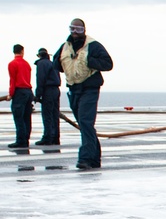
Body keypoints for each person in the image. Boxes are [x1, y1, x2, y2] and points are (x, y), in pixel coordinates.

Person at [52, 19, 113, 171]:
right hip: (74, 89)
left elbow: (108, 64)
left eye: (78, 29)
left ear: (84, 30)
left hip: (90, 88)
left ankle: (85, 158)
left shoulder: (93, 45)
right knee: (85, 125)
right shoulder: (65, 47)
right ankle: (94, 158)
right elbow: (56, 63)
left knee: (85, 123)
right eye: (72, 28)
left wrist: (90, 62)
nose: (74, 32)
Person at [7, 44, 33, 150]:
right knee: (27, 117)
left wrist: (11, 94)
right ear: (22, 51)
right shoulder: (26, 64)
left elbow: (13, 80)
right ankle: (25, 139)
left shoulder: (12, 64)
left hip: (19, 92)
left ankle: (21, 140)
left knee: (18, 117)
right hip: (28, 91)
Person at [34, 47, 62, 147]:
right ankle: (55, 138)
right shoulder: (53, 63)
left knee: (47, 115)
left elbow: (40, 79)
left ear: (39, 55)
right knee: (55, 115)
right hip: (56, 90)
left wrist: (38, 95)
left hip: (48, 90)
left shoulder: (41, 64)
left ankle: (47, 138)